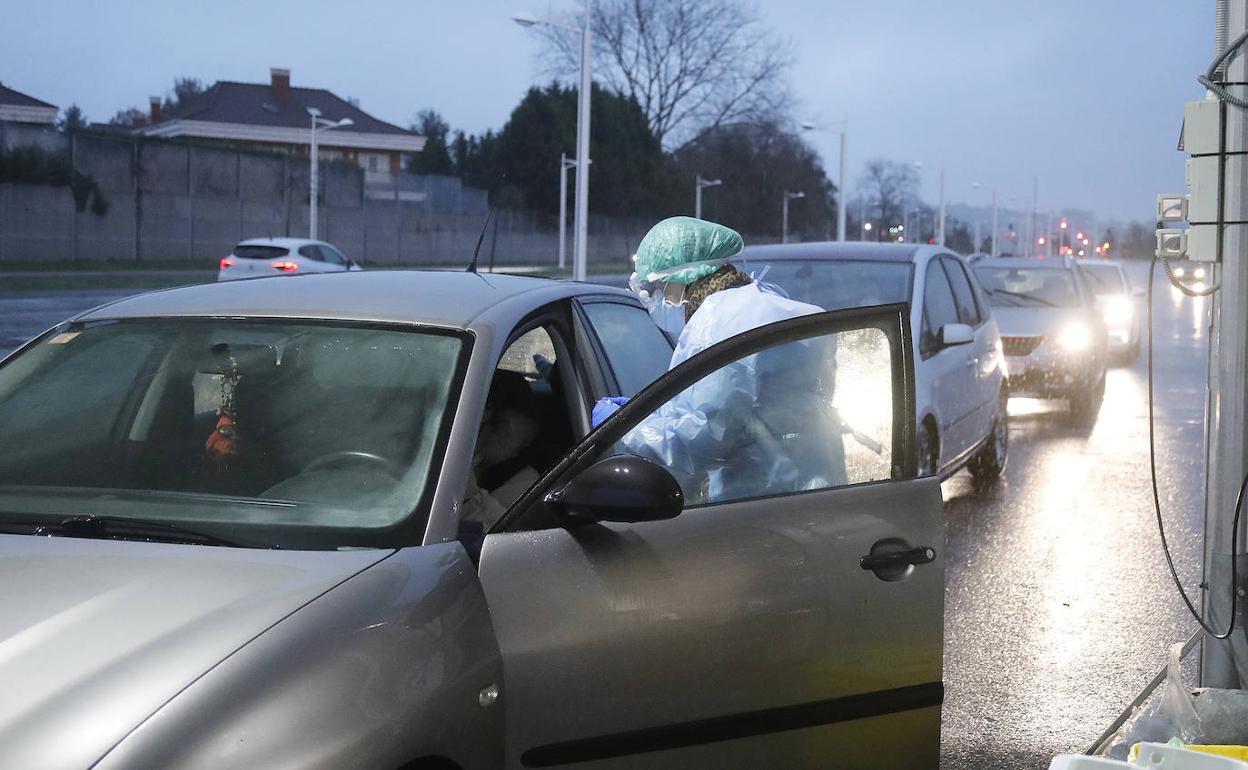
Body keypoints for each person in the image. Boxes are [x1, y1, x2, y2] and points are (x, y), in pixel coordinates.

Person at [605, 216, 844, 502]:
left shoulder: (715, 323)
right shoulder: (769, 302)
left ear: (681, 278)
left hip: (763, 504)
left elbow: (700, 441)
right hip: (823, 488)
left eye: (656, 289)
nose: (655, 300)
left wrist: (625, 429)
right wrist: (647, 414)